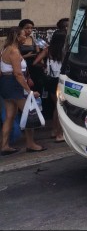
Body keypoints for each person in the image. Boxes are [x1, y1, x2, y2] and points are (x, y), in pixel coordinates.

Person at [0, 26, 46, 155]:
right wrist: (29, 91)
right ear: (17, 36)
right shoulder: (14, 51)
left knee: (10, 116)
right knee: (29, 114)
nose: (25, 36)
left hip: (6, 85)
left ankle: (4, 146)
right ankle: (31, 144)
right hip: (15, 85)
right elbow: (18, 74)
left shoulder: (5, 49)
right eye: (23, 34)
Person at [34, 31, 65, 142]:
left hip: (50, 80)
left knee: (56, 106)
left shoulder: (48, 49)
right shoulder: (64, 50)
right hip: (61, 80)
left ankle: (54, 130)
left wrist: (45, 66)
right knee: (60, 107)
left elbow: (35, 62)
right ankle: (59, 134)